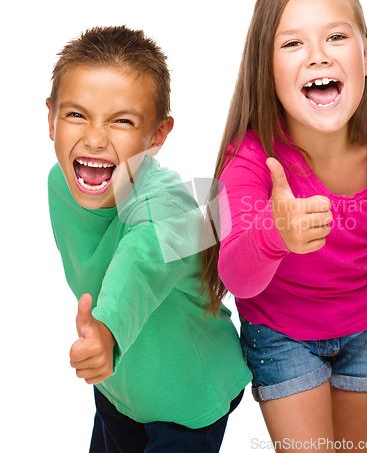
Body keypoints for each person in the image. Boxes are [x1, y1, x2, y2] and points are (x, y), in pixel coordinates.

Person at [201, 0, 367, 452]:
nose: (318, 55)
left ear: (365, 56)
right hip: (284, 335)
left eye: (335, 36)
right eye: (292, 44)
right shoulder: (247, 163)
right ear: (266, 71)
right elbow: (237, 276)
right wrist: (274, 235)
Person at [47, 25, 251, 453]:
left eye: (121, 121)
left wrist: (106, 331)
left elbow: (142, 259)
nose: (95, 138)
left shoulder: (166, 207)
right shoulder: (60, 182)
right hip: (120, 388)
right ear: (51, 119)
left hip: (188, 396)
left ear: (157, 135)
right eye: (76, 114)